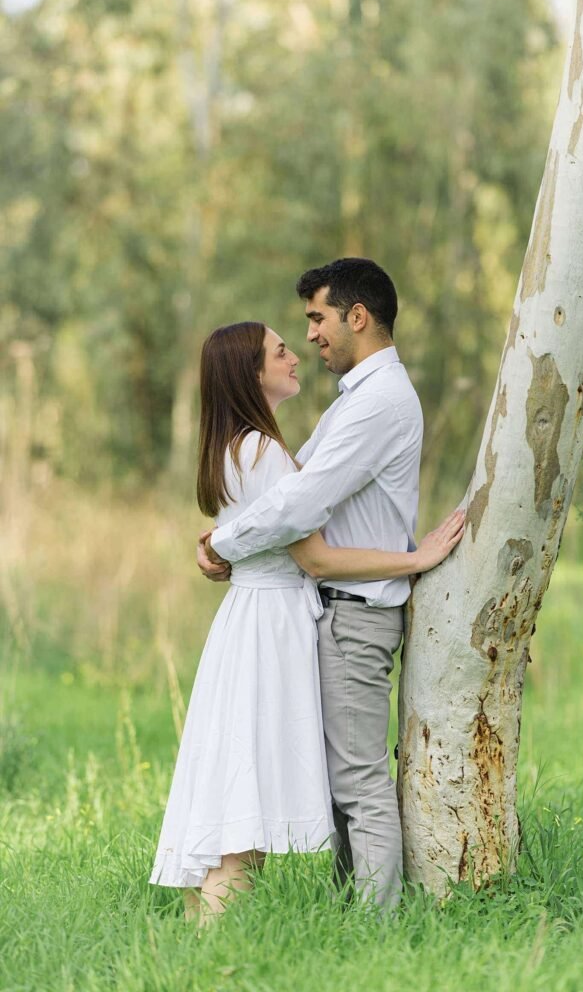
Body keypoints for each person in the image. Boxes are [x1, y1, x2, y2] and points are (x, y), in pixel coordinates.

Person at [152, 314, 464, 923]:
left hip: (250, 619)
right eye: (280, 350)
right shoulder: (264, 451)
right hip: (270, 626)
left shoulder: (235, 445)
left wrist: (220, 543)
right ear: (251, 371)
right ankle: (345, 931)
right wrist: (414, 558)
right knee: (251, 791)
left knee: (240, 785)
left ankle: (209, 939)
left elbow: (262, 530)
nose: (295, 355)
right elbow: (315, 556)